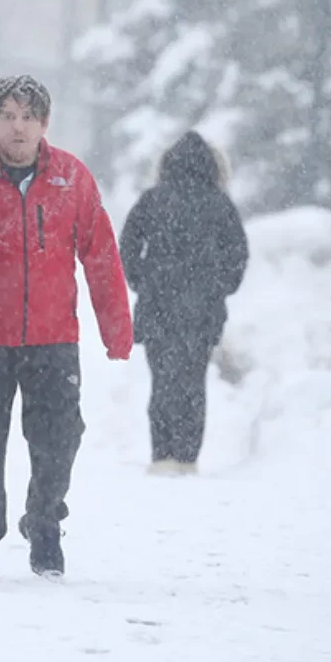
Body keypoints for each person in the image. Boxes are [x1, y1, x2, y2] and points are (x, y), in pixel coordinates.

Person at [0, 75, 133, 582]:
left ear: (44, 124)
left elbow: (100, 255)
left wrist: (116, 328)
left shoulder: (71, 178)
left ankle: (43, 523)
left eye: (28, 117)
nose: (18, 128)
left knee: (59, 438)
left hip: (53, 336)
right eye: (8, 117)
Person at [118, 131, 249, 476]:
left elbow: (128, 244)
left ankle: (162, 455)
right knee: (193, 382)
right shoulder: (220, 203)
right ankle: (187, 457)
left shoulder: (152, 199)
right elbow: (237, 254)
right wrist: (219, 287)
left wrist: (142, 279)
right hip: (202, 310)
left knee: (162, 380)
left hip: (157, 305)